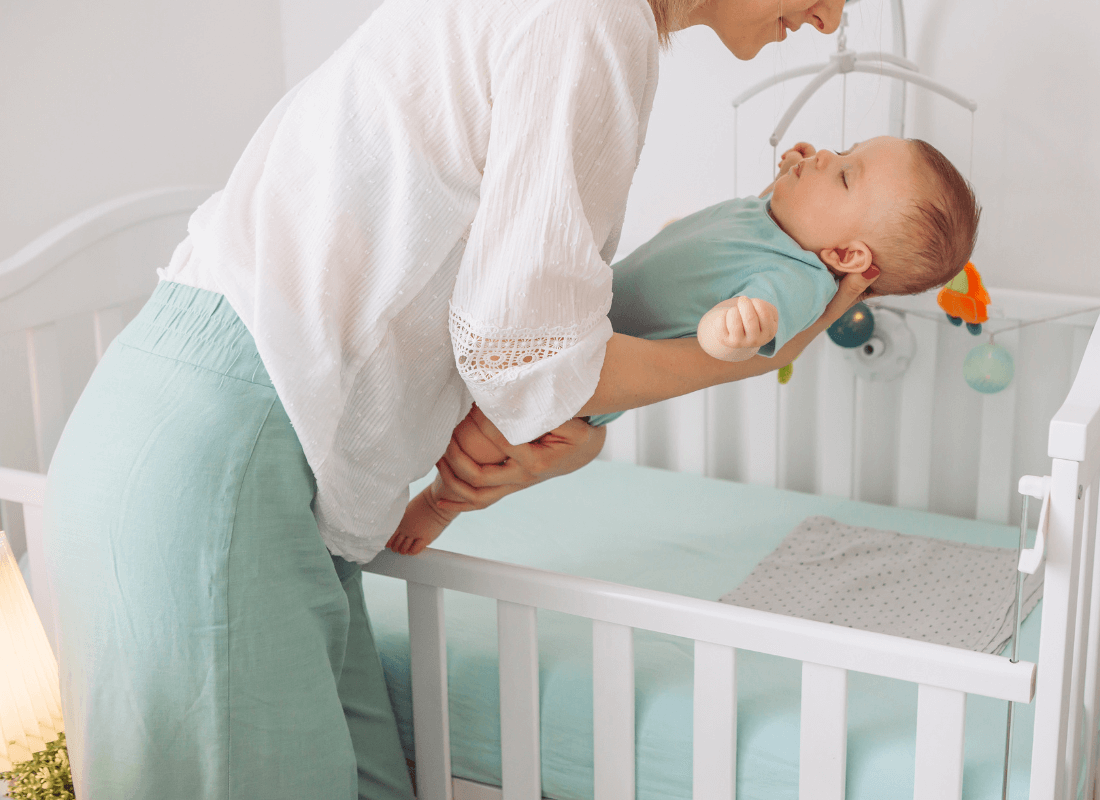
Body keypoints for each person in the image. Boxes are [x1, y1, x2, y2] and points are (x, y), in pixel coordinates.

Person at [41, 0, 866, 798]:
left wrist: (566, 415)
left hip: (249, 450)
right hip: (223, 455)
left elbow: (524, 333)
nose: (831, 20)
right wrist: (750, 360)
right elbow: (524, 349)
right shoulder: (588, 19)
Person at [387, 135, 979, 556]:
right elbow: (747, 232)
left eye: (845, 174)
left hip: (578, 389)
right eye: (844, 150)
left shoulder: (798, 279)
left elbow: (764, 323)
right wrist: (798, 174)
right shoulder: (771, 219)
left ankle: (439, 505)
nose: (825, 155)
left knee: (480, 439)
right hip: (573, 325)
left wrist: (738, 328)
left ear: (847, 259)